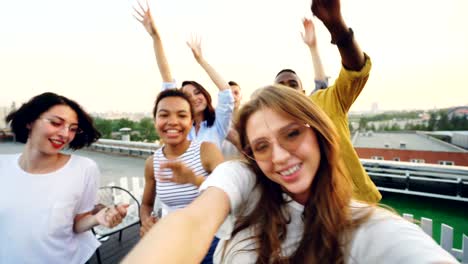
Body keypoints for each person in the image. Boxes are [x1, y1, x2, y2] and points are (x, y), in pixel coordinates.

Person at [122, 85, 457, 264]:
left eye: (293, 133)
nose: (279, 157)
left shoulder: (368, 229)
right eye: (262, 146)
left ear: (320, 134)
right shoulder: (248, 184)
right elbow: (195, 219)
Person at [0, 92, 128, 263]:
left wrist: (97, 219)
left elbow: (76, 224)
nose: (65, 134)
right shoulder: (3, 166)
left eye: (73, 128)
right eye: (55, 123)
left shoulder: (84, 169)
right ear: (30, 121)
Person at [274, 5, 381, 203]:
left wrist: (337, 27)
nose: (287, 89)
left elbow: (356, 71)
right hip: (313, 213)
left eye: (292, 84)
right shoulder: (271, 130)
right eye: (280, 86)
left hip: (355, 203)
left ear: (303, 93)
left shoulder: (325, 102)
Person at [139, 89, 224, 263]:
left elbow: (229, 194)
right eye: (164, 115)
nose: (173, 122)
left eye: (182, 115)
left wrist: (194, 179)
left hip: (211, 243)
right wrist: (146, 221)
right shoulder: (152, 162)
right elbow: (146, 204)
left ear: (191, 121)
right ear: (155, 121)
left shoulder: (207, 151)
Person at [134, 3, 234, 150]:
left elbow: (226, 92)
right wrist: (156, 37)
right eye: (187, 96)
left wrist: (201, 60)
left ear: (206, 96)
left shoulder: (218, 125)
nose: (194, 98)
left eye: (197, 93)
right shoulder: (181, 128)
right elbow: (167, 78)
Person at [221, 81, 243, 160]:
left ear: (241, 96)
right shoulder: (216, 122)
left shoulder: (249, 120)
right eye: (229, 94)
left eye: (236, 93)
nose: (232, 97)